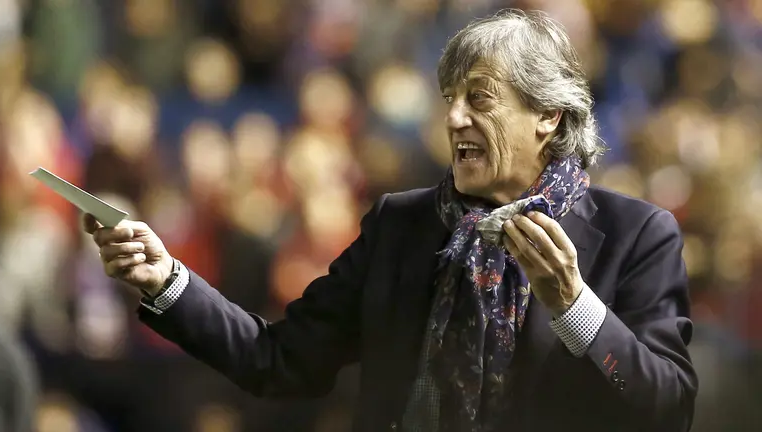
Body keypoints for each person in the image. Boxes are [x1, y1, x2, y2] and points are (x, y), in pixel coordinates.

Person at [84, 9, 697, 432]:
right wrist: (166, 280)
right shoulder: (402, 224)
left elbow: (667, 409)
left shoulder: (635, 235)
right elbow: (277, 360)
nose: (454, 118)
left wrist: (576, 311)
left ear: (550, 118)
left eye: (478, 99)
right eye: (449, 99)